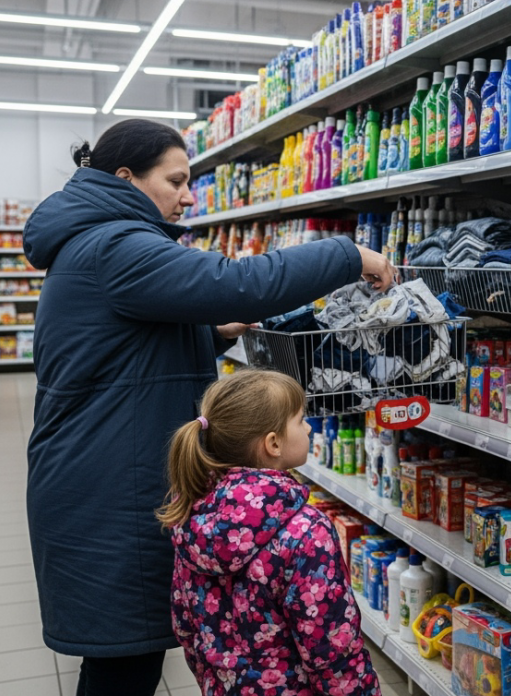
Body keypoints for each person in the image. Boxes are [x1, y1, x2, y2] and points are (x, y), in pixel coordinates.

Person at [23, 119, 394, 696]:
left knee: (124, 660)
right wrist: (348, 255)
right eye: (175, 181)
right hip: (106, 485)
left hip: (103, 468)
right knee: (123, 665)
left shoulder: (95, 238)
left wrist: (210, 333)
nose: (189, 196)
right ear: (127, 178)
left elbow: (124, 352)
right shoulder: (115, 245)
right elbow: (238, 281)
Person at [159, 370, 381, 695]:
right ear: (273, 443)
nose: (309, 427)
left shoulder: (191, 515)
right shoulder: (307, 533)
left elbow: (185, 624)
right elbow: (332, 651)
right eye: (300, 420)